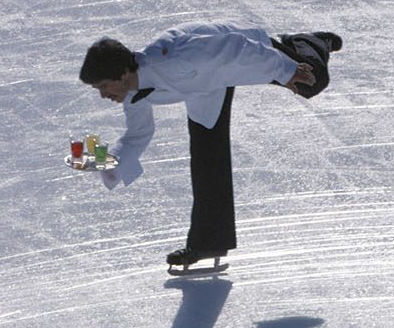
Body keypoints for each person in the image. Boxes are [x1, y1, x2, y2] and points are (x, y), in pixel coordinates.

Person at [78, 23, 342, 270]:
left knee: (312, 82)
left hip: (248, 54)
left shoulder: (175, 57)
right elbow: (138, 134)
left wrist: (286, 70)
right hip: (205, 92)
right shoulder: (133, 94)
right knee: (208, 162)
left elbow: (236, 46)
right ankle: (207, 244)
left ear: (123, 73)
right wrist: (112, 163)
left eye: (104, 86)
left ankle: (308, 41)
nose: (103, 94)